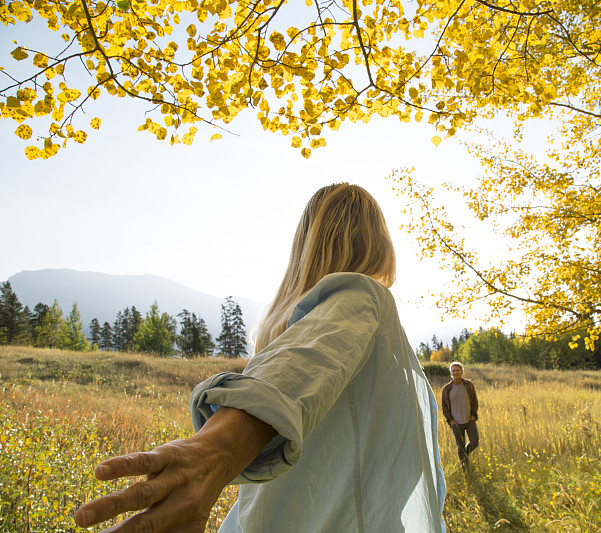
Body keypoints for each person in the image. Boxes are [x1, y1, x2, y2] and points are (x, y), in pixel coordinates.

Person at [74, 183, 446, 533]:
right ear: (380, 241)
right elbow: (302, 363)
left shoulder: (314, 324)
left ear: (306, 244)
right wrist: (216, 450)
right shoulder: (365, 298)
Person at [441, 361, 479, 472]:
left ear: (462, 371)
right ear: (451, 373)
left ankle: (465, 455)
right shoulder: (447, 389)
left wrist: (473, 416)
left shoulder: (468, 385)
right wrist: (451, 421)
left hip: (469, 420)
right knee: (460, 446)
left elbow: (475, 401)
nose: (456, 372)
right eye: (453, 370)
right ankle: (465, 470)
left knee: (474, 442)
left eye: (458, 370)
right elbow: (444, 407)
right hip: (456, 423)